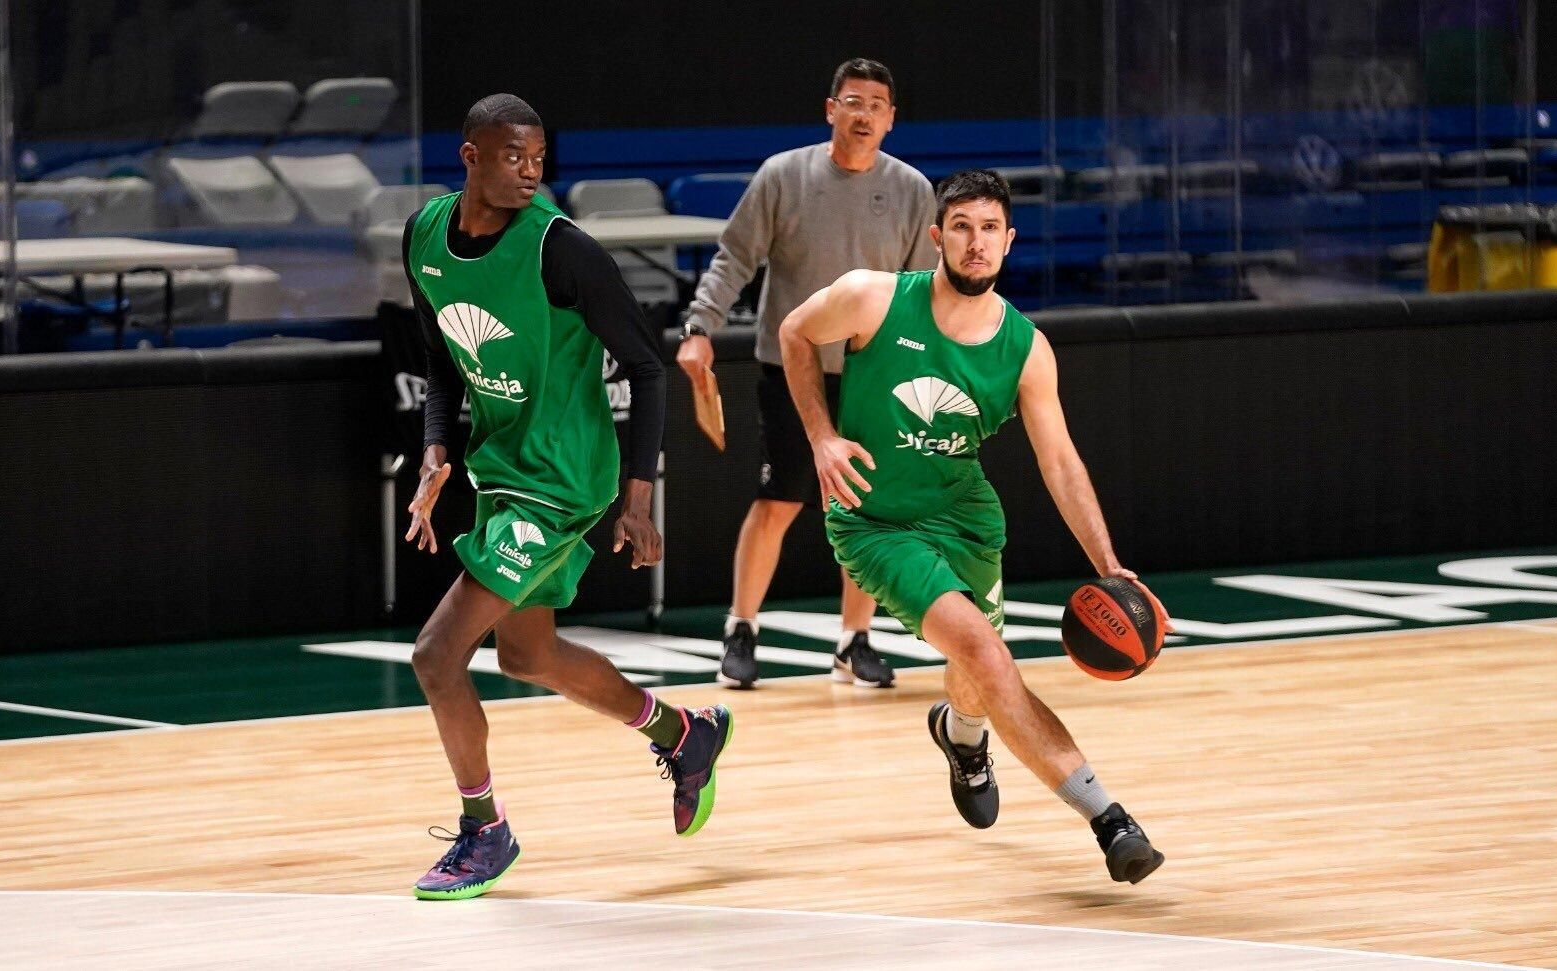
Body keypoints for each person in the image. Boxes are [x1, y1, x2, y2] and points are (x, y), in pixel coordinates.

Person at [778, 169, 1170, 884]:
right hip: (874, 523)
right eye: (961, 226)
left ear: (1009, 241)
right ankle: (1110, 818)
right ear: (937, 237)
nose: (976, 241)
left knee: (974, 675)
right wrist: (820, 436)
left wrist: (1110, 564)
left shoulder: (1026, 349)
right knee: (988, 654)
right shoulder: (873, 296)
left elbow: (1060, 462)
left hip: (964, 517)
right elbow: (794, 332)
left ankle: (960, 734)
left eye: (990, 228)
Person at [401, 94, 733, 901]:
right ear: (470, 155)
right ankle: (684, 736)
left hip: (560, 480)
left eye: (539, 158)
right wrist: (437, 446)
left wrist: (638, 498)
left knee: (437, 656)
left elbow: (649, 368)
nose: (529, 172)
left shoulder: (563, 250)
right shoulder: (424, 238)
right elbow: (442, 358)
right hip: (501, 469)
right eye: (512, 156)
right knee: (528, 655)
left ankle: (486, 829)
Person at [677, 58, 936, 690]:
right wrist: (699, 328)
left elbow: (923, 290)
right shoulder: (784, 176)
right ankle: (740, 629)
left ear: (891, 118)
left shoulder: (912, 190)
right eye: (852, 101)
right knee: (777, 502)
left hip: (875, 372)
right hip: (793, 370)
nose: (864, 113)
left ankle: (855, 641)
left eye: (877, 104)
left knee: (866, 511)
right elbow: (734, 258)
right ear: (831, 110)